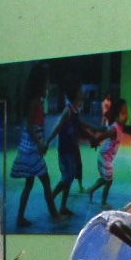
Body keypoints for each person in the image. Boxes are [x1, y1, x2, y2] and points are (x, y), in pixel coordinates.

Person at [10, 64, 56, 229]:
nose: (48, 85)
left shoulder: (38, 101)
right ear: (40, 84)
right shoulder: (35, 101)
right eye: (47, 82)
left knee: (29, 184)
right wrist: (40, 144)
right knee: (46, 180)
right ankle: (54, 214)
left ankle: (20, 217)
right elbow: (30, 126)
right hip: (31, 148)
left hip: (30, 146)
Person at [48, 86, 93, 219]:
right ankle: (51, 197)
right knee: (67, 177)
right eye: (79, 90)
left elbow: (80, 125)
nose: (82, 92)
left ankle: (63, 206)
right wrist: (47, 141)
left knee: (70, 177)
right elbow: (58, 127)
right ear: (75, 93)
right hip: (64, 150)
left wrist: (94, 132)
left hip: (71, 149)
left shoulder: (76, 110)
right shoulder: (67, 111)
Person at [87, 97, 128, 207]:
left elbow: (104, 129)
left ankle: (91, 190)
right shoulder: (115, 129)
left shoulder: (117, 126)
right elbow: (105, 134)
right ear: (116, 115)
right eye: (123, 113)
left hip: (106, 157)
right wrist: (96, 140)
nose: (126, 116)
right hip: (104, 157)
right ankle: (103, 202)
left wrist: (96, 130)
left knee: (105, 179)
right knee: (109, 180)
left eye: (126, 113)